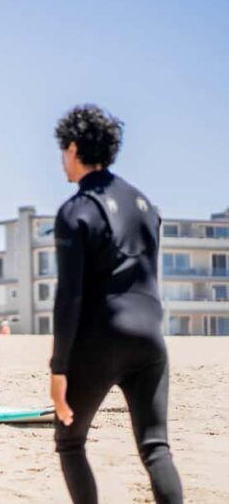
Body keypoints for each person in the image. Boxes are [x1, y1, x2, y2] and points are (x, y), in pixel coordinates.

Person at [50, 104, 182, 503]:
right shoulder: (144, 204)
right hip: (151, 339)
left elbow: (69, 297)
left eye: (62, 151)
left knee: (70, 441)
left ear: (73, 148)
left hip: (103, 337)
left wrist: (59, 370)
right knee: (155, 446)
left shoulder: (77, 209)